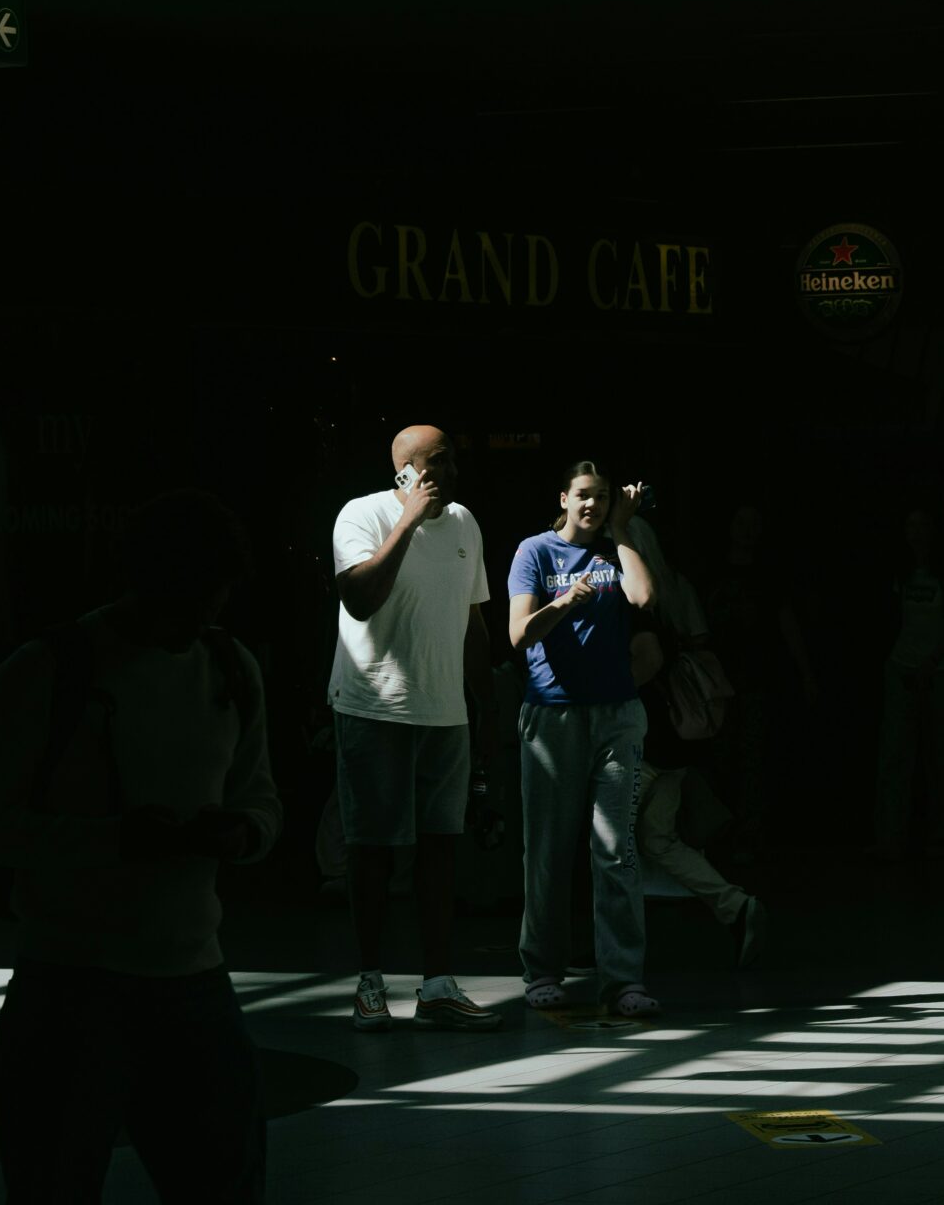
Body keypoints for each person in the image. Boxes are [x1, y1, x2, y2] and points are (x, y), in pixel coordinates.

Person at [0, 489, 313, 1205]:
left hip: (110, 987)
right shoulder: (53, 673)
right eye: (194, 597)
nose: (203, 616)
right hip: (132, 987)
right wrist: (187, 836)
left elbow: (257, 795)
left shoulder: (209, 664)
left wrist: (232, 830)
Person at [327, 425, 501, 1031]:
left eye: (453, 460)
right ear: (405, 471)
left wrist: (487, 704)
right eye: (440, 462)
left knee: (440, 850)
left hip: (444, 712)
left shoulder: (466, 524)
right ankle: (369, 983)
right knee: (372, 850)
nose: (453, 472)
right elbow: (359, 598)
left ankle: (437, 985)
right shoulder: (362, 515)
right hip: (375, 707)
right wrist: (406, 521)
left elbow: (473, 620)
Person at [509, 460, 661, 1018]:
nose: (592, 504)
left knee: (615, 850)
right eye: (583, 495)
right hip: (553, 716)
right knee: (548, 850)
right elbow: (519, 635)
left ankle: (623, 980)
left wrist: (624, 528)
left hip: (617, 716)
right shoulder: (535, 552)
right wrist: (563, 603)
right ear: (565, 499)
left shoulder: (618, 548)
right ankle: (542, 970)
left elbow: (644, 598)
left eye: (602, 497)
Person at [630, 623, 770, 966]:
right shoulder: (665, 599)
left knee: (611, 846)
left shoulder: (628, 605)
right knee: (659, 840)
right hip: (673, 744)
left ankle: (611, 944)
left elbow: (647, 660)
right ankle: (734, 905)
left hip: (643, 743)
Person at [700, 502, 819, 854]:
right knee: (720, 758)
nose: (747, 529)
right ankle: (717, 834)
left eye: (754, 523)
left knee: (753, 759)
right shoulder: (714, 570)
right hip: (717, 680)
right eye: (742, 521)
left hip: (756, 679)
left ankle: (750, 836)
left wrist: (806, 672)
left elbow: (787, 624)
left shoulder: (769, 574)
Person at [873, 504, 944, 862]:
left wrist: (932, 661)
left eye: (922, 524)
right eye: (910, 524)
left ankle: (942, 838)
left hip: (942, 673)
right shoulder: (902, 571)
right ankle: (891, 839)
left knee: (943, 757)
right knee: (895, 755)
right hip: (903, 669)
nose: (915, 532)